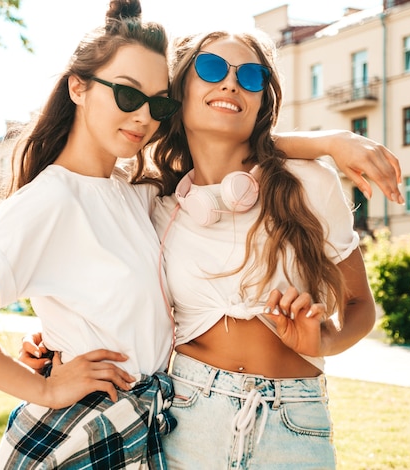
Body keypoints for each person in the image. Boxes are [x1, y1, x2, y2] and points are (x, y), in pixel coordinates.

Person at [0, 1, 179, 468]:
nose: (144, 117)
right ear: (79, 86)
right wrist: (44, 387)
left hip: (136, 432)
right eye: (129, 95)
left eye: (159, 103)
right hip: (80, 432)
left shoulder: (134, 195)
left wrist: (326, 144)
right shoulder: (51, 198)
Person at [144, 29, 377, 469]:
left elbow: (360, 304)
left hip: (294, 419)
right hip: (189, 415)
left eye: (250, 76)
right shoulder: (160, 207)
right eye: (211, 68)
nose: (231, 84)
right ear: (181, 89)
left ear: (261, 100)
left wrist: (326, 339)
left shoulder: (311, 183)